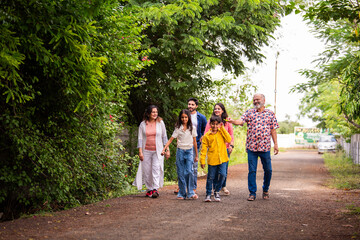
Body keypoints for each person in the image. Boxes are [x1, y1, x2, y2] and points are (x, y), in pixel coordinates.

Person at [228, 93, 279, 201]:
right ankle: (252, 193)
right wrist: (232, 121)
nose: (255, 101)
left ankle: (265, 190)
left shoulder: (270, 114)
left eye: (258, 99)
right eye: (254, 100)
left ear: (263, 100)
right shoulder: (249, 112)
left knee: (268, 170)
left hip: (265, 148)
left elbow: (273, 130)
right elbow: (240, 121)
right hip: (252, 147)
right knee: (252, 171)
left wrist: (276, 144)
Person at [133, 105, 170, 198]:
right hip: (146, 151)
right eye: (153, 112)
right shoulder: (143, 124)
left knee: (156, 168)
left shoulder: (160, 123)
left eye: (156, 112)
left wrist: (167, 150)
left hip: (158, 151)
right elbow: (140, 139)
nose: (155, 114)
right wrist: (140, 152)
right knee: (147, 171)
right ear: (148, 113)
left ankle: (155, 189)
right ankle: (149, 189)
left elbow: (165, 137)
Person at [161, 109, 198, 200]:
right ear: (180, 118)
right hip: (180, 151)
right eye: (182, 117)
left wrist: (196, 155)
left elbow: (194, 142)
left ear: (188, 117)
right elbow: (171, 139)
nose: (184, 119)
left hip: (189, 151)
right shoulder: (178, 128)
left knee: (189, 171)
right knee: (180, 172)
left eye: (186, 117)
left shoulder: (192, 128)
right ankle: (181, 193)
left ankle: (190, 192)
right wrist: (164, 149)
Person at [203, 103, 234, 195]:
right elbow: (206, 133)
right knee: (214, 170)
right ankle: (214, 188)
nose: (216, 110)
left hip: (225, 148)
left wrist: (231, 145)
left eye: (219, 109)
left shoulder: (226, 122)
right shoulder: (210, 121)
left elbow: (231, 135)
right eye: (215, 109)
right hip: (213, 148)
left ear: (222, 110)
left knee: (223, 170)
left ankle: (223, 186)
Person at [200, 115, 232, 202]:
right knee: (210, 177)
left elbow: (229, 139)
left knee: (223, 175)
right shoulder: (207, 136)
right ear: (210, 124)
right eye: (213, 124)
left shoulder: (221, 132)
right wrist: (202, 160)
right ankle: (208, 194)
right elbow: (203, 150)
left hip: (223, 159)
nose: (214, 126)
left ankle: (217, 191)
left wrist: (222, 129)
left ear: (220, 124)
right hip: (212, 160)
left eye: (217, 124)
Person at [188, 98, 207, 193]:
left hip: (195, 144)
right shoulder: (184, 115)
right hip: (184, 143)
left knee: (194, 166)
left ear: (196, 106)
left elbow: (206, 129)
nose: (190, 106)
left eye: (192, 104)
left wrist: (203, 136)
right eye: (189, 104)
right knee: (183, 165)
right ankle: (181, 186)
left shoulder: (201, 117)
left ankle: (193, 186)